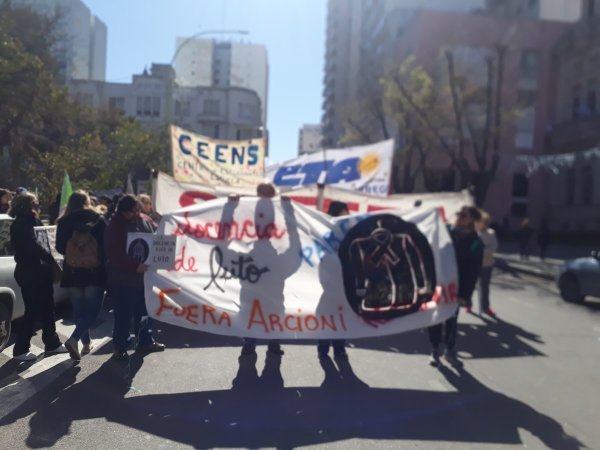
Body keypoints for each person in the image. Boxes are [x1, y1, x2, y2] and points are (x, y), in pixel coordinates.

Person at [104, 194, 165, 360]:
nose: (137, 214)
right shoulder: (115, 225)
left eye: (138, 210)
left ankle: (145, 340)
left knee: (145, 312)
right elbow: (114, 253)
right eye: (133, 211)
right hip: (123, 280)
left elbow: (158, 237)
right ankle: (120, 347)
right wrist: (134, 266)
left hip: (144, 278)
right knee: (123, 315)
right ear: (123, 211)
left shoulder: (144, 219)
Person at [9, 193, 67, 361]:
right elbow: (34, 247)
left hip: (40, 272)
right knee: (32, 311)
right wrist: (52, 259)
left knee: (48, 308)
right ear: (26, 205)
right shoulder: (21, 224)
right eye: (35, 202)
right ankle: (20, 349)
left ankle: (52, 344)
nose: (38, 204)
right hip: (30, 273)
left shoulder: (32, 221)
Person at [428, 205, 483, 368]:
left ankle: (449, 351)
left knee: (451, 319)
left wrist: (465, 295)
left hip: (457, 288)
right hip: (439, 284)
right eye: (458, 213)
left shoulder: (475, 242)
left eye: (464, 215)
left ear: (472, 219)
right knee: (434, 318)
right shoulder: (446, 233)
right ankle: (434, 350)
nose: (459, 216)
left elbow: (474, 271)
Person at [55, 191, 108, 360]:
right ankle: (75, 338)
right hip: (94, 272)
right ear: (87, 202)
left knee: (79, 310)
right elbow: (106, 245)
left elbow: (60, 247)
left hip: (72, 272)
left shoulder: (63, 222)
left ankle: (85, 343)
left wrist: (75, 251)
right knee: (92, 311)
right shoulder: (98, 219)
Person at [317, 201, 350, 359]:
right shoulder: (332, 232)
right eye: (346, 210)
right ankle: (330, 348)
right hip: (334, 278)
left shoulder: (345, 231)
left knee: (338, 314)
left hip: (339, 279)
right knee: (334, 314)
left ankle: (333, 348)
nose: (348, 213)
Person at [476, 210, 498, 317]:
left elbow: (494, 247)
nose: (483, 224)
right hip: (474, 264)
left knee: (484, 286)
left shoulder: (491, 233)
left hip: (487, 264)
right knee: (470, 286)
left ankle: (485, 307)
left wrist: (482, 252)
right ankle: (467, 304)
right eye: (481, 221)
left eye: (486, 222)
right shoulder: (474, 233)